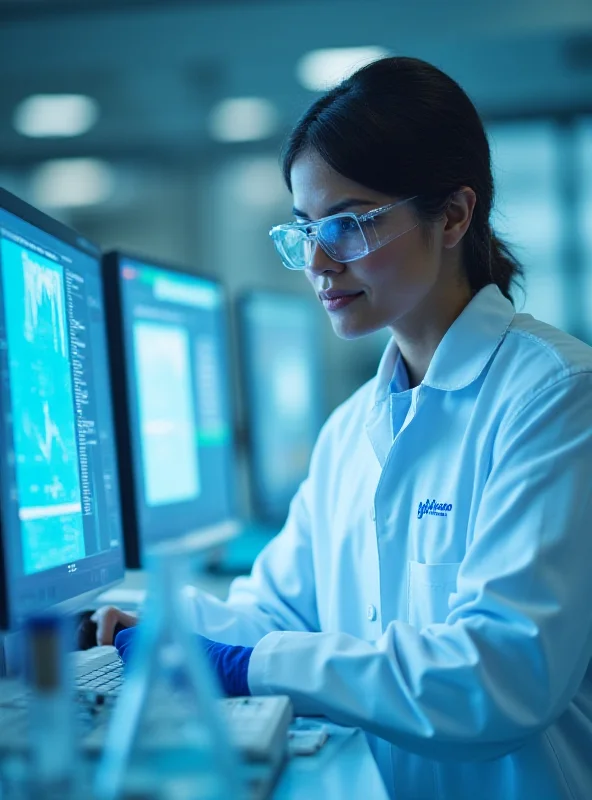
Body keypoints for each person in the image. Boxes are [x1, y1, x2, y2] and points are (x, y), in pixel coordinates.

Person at [97, 57, 592, 800]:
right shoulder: (352, 428)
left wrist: (247, 666)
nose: (320, 262)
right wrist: (150, 618)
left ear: (454, 215)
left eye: (350, 224)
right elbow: (277, 611)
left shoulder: (553, 394)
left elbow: (500, 676)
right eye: (305, 230)